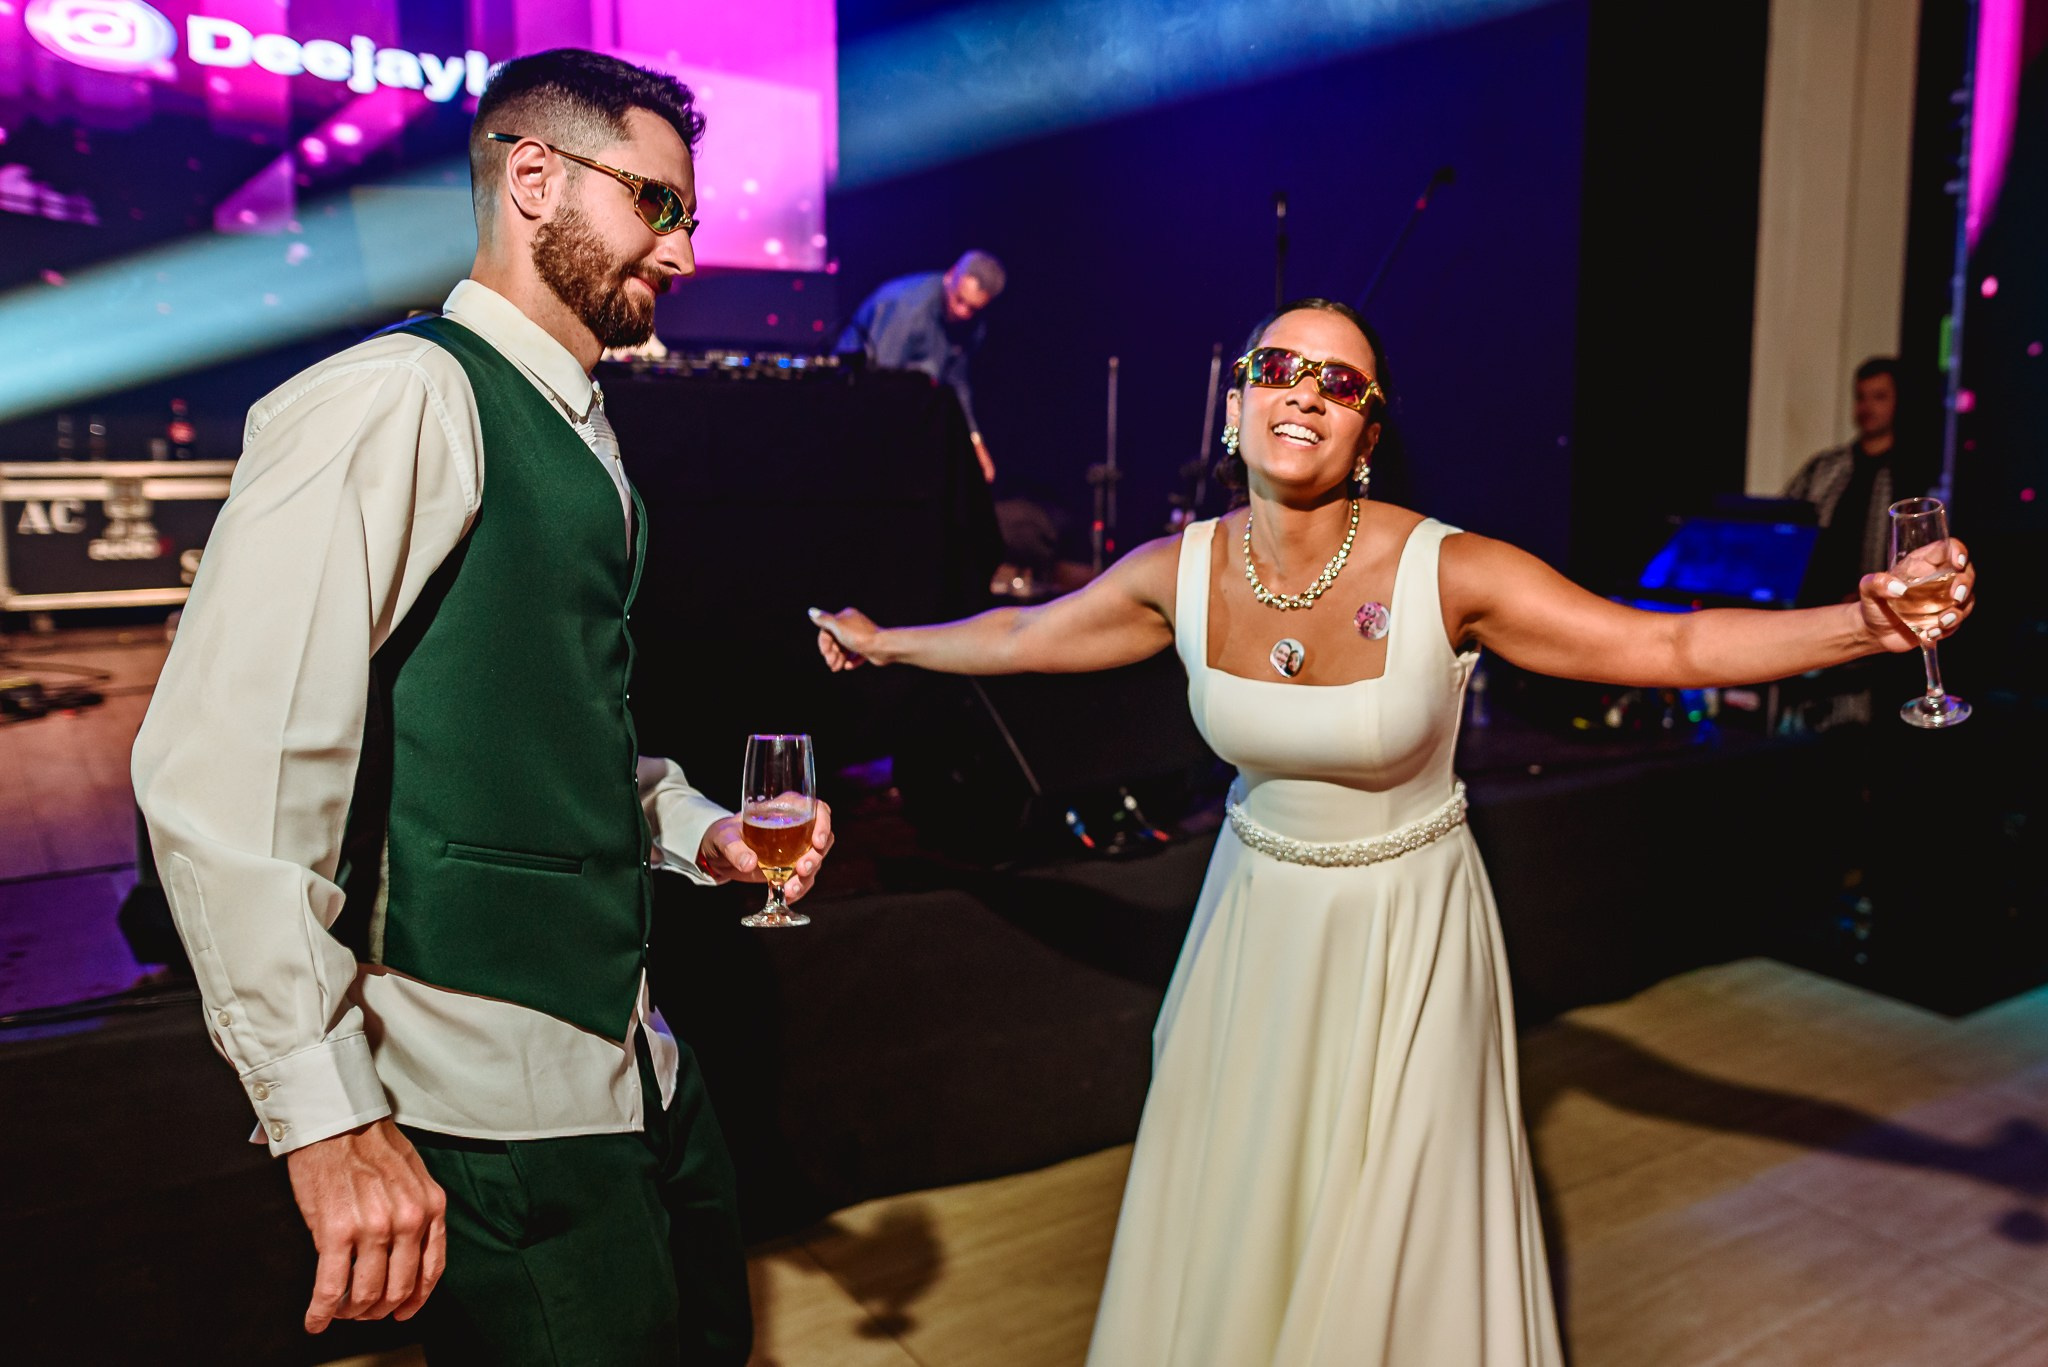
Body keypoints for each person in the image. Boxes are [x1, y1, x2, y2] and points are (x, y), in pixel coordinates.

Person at [811, 298, 1977, 1366]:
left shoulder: (1447, 568)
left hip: (1404, 933)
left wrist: (1861, 627)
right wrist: (890, 639)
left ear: (1366, 434)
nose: (1304, 390)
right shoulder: (1181, 568)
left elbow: (1660, 645)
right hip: (1254, 930)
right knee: (1247, 1205)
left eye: (1340, 381)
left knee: (1388, 1232)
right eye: (1278, 367)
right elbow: (1026, 640)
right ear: (1235, 405)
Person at [131, 49, 836, 1365]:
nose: (682, 251)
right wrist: (325, 1114)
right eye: (656, 204)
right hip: (485, 1093)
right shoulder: (392, 399)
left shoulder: (583, 430)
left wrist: (704, 834)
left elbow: (548, 723)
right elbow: (226, 778)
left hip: (635, 1059)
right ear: (532, 178)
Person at [836, 250, 1006, 483]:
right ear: (950, 277)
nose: (962, 312)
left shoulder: (972, 326)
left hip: (905, 408)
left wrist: (975, 441)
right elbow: (877, 383)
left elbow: (957, 383)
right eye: (959, 300)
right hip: (854, 404)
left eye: (973, 308)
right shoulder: (906, 309)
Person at [1785, 356, 1925, 604]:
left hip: (1884, 606)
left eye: (1879, 397)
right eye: (1861, 397)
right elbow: (1785, 521)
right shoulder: (1825, 466)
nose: (1867, 407)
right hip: (1815, 604)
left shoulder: (1913, 471)